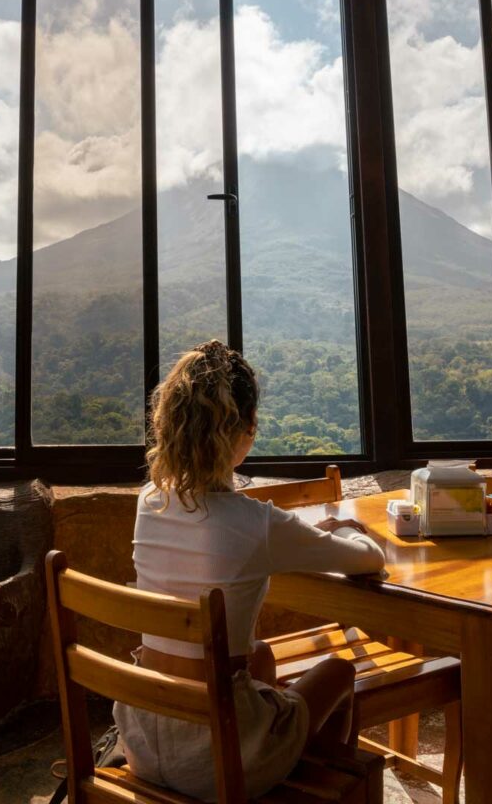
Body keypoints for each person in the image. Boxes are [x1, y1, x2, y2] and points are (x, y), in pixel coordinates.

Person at [113, 340, 385, 800]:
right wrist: (350, 530)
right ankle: (305, 787)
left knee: (259, 657)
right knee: (339, 669)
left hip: (142, 740)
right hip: (217, 763)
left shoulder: (149, 502)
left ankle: (285, 766)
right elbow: (368, 560)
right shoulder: (255, 523)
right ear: (241, 432)